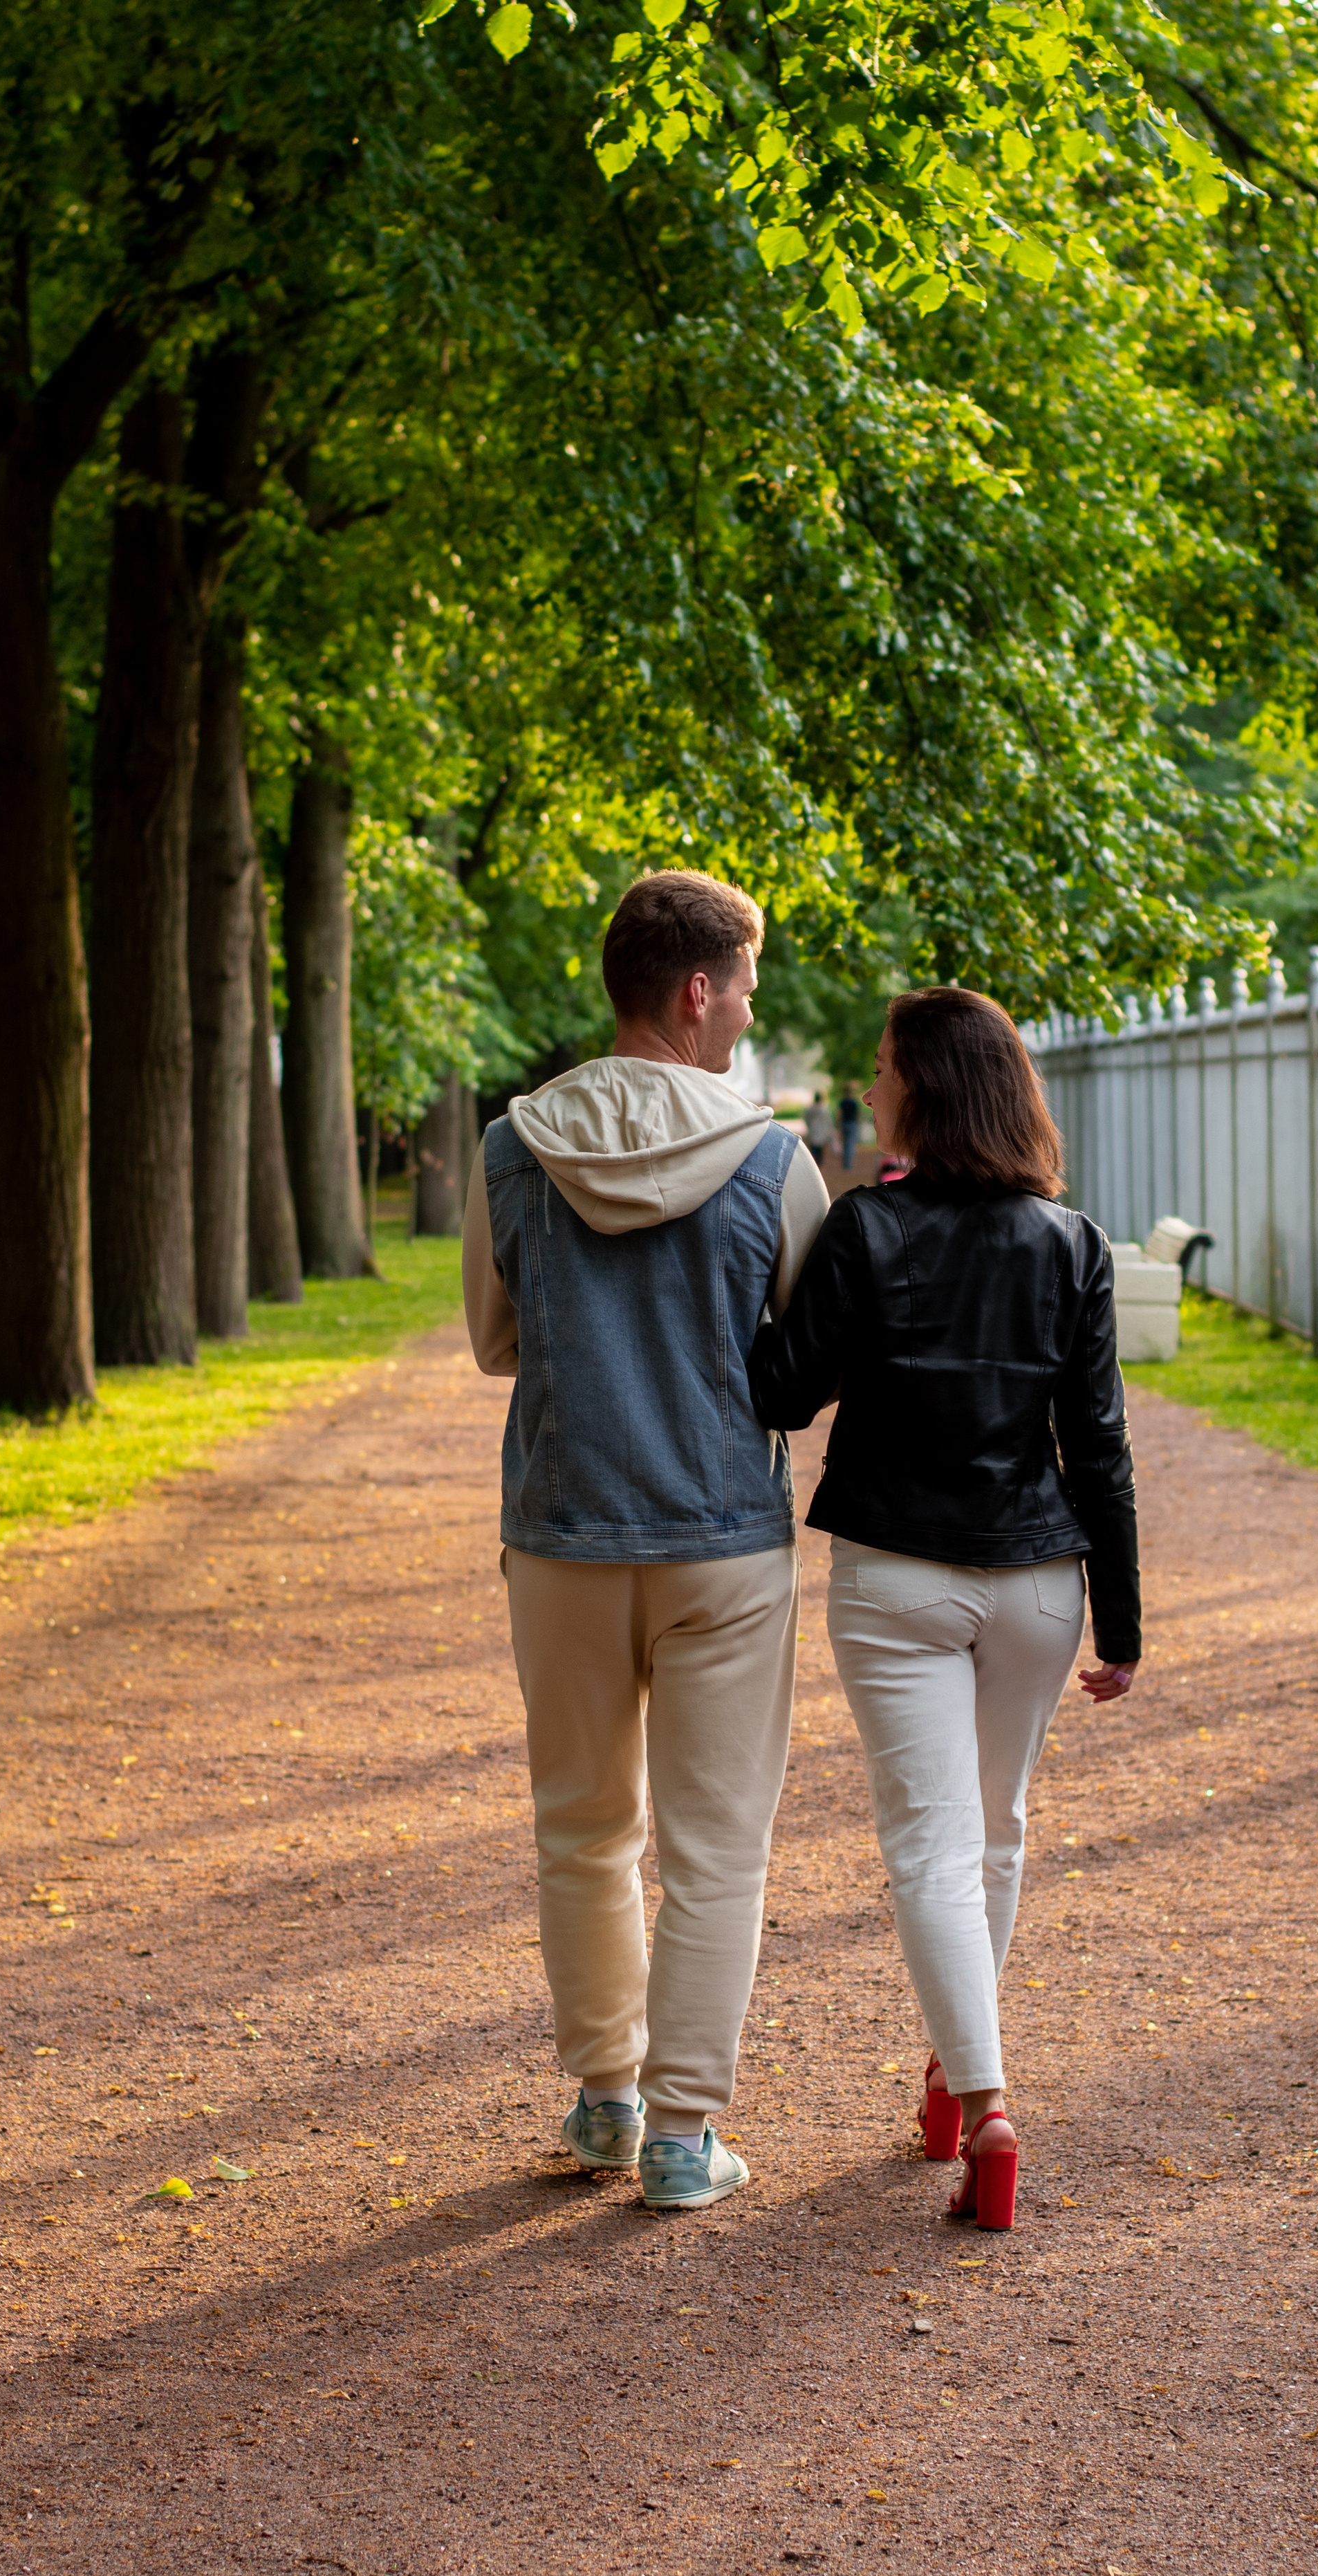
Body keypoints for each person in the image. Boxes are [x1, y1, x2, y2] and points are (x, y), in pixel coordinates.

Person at [463, 870, 831, 2211]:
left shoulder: (514, 1147)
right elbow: (801, 1352)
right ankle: (684, 2133)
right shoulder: (776, 1160)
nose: (744, 1010)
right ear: (693, 991)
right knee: (716, 1845)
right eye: (740, 986)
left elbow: (497, 1343)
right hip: (721, 1538)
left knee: (580, 1830)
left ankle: (604, 2100)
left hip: (562, 1533)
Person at [746, 987, 1140, 2231]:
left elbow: (785, 1393)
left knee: (930, 1845)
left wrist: (739, 1292)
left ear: (927, 1087)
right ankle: (951, 2073)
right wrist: (1121, 1621)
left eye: (881, 1069)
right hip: (1037, 1582)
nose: (869, 1088)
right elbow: (1102, 1448)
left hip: (899, 1574)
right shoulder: (1071, 1242)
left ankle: (987, 2107)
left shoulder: (867, 1229)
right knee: (998, 1833)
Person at [803, 1092, 833, 1170]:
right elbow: (828, 1121)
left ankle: (814, 1164)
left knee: (814, 1148)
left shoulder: (810, 1109)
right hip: (822, 1130)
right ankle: (819, 1163)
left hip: (813, 1129)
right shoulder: (824, 1109)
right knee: (820, 1148)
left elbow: (807, 1119)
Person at [837, 1085, 861, 1172]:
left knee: (845, 1144)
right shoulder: (854, 1102)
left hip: (844, 1124)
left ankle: (845, 1163)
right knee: (851, 1144)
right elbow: (858, 1114)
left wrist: (838, 1125)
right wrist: (859, 1125)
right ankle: (849, 1164)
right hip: (852, 1124)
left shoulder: (843, 1102)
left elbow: (839, 1114)